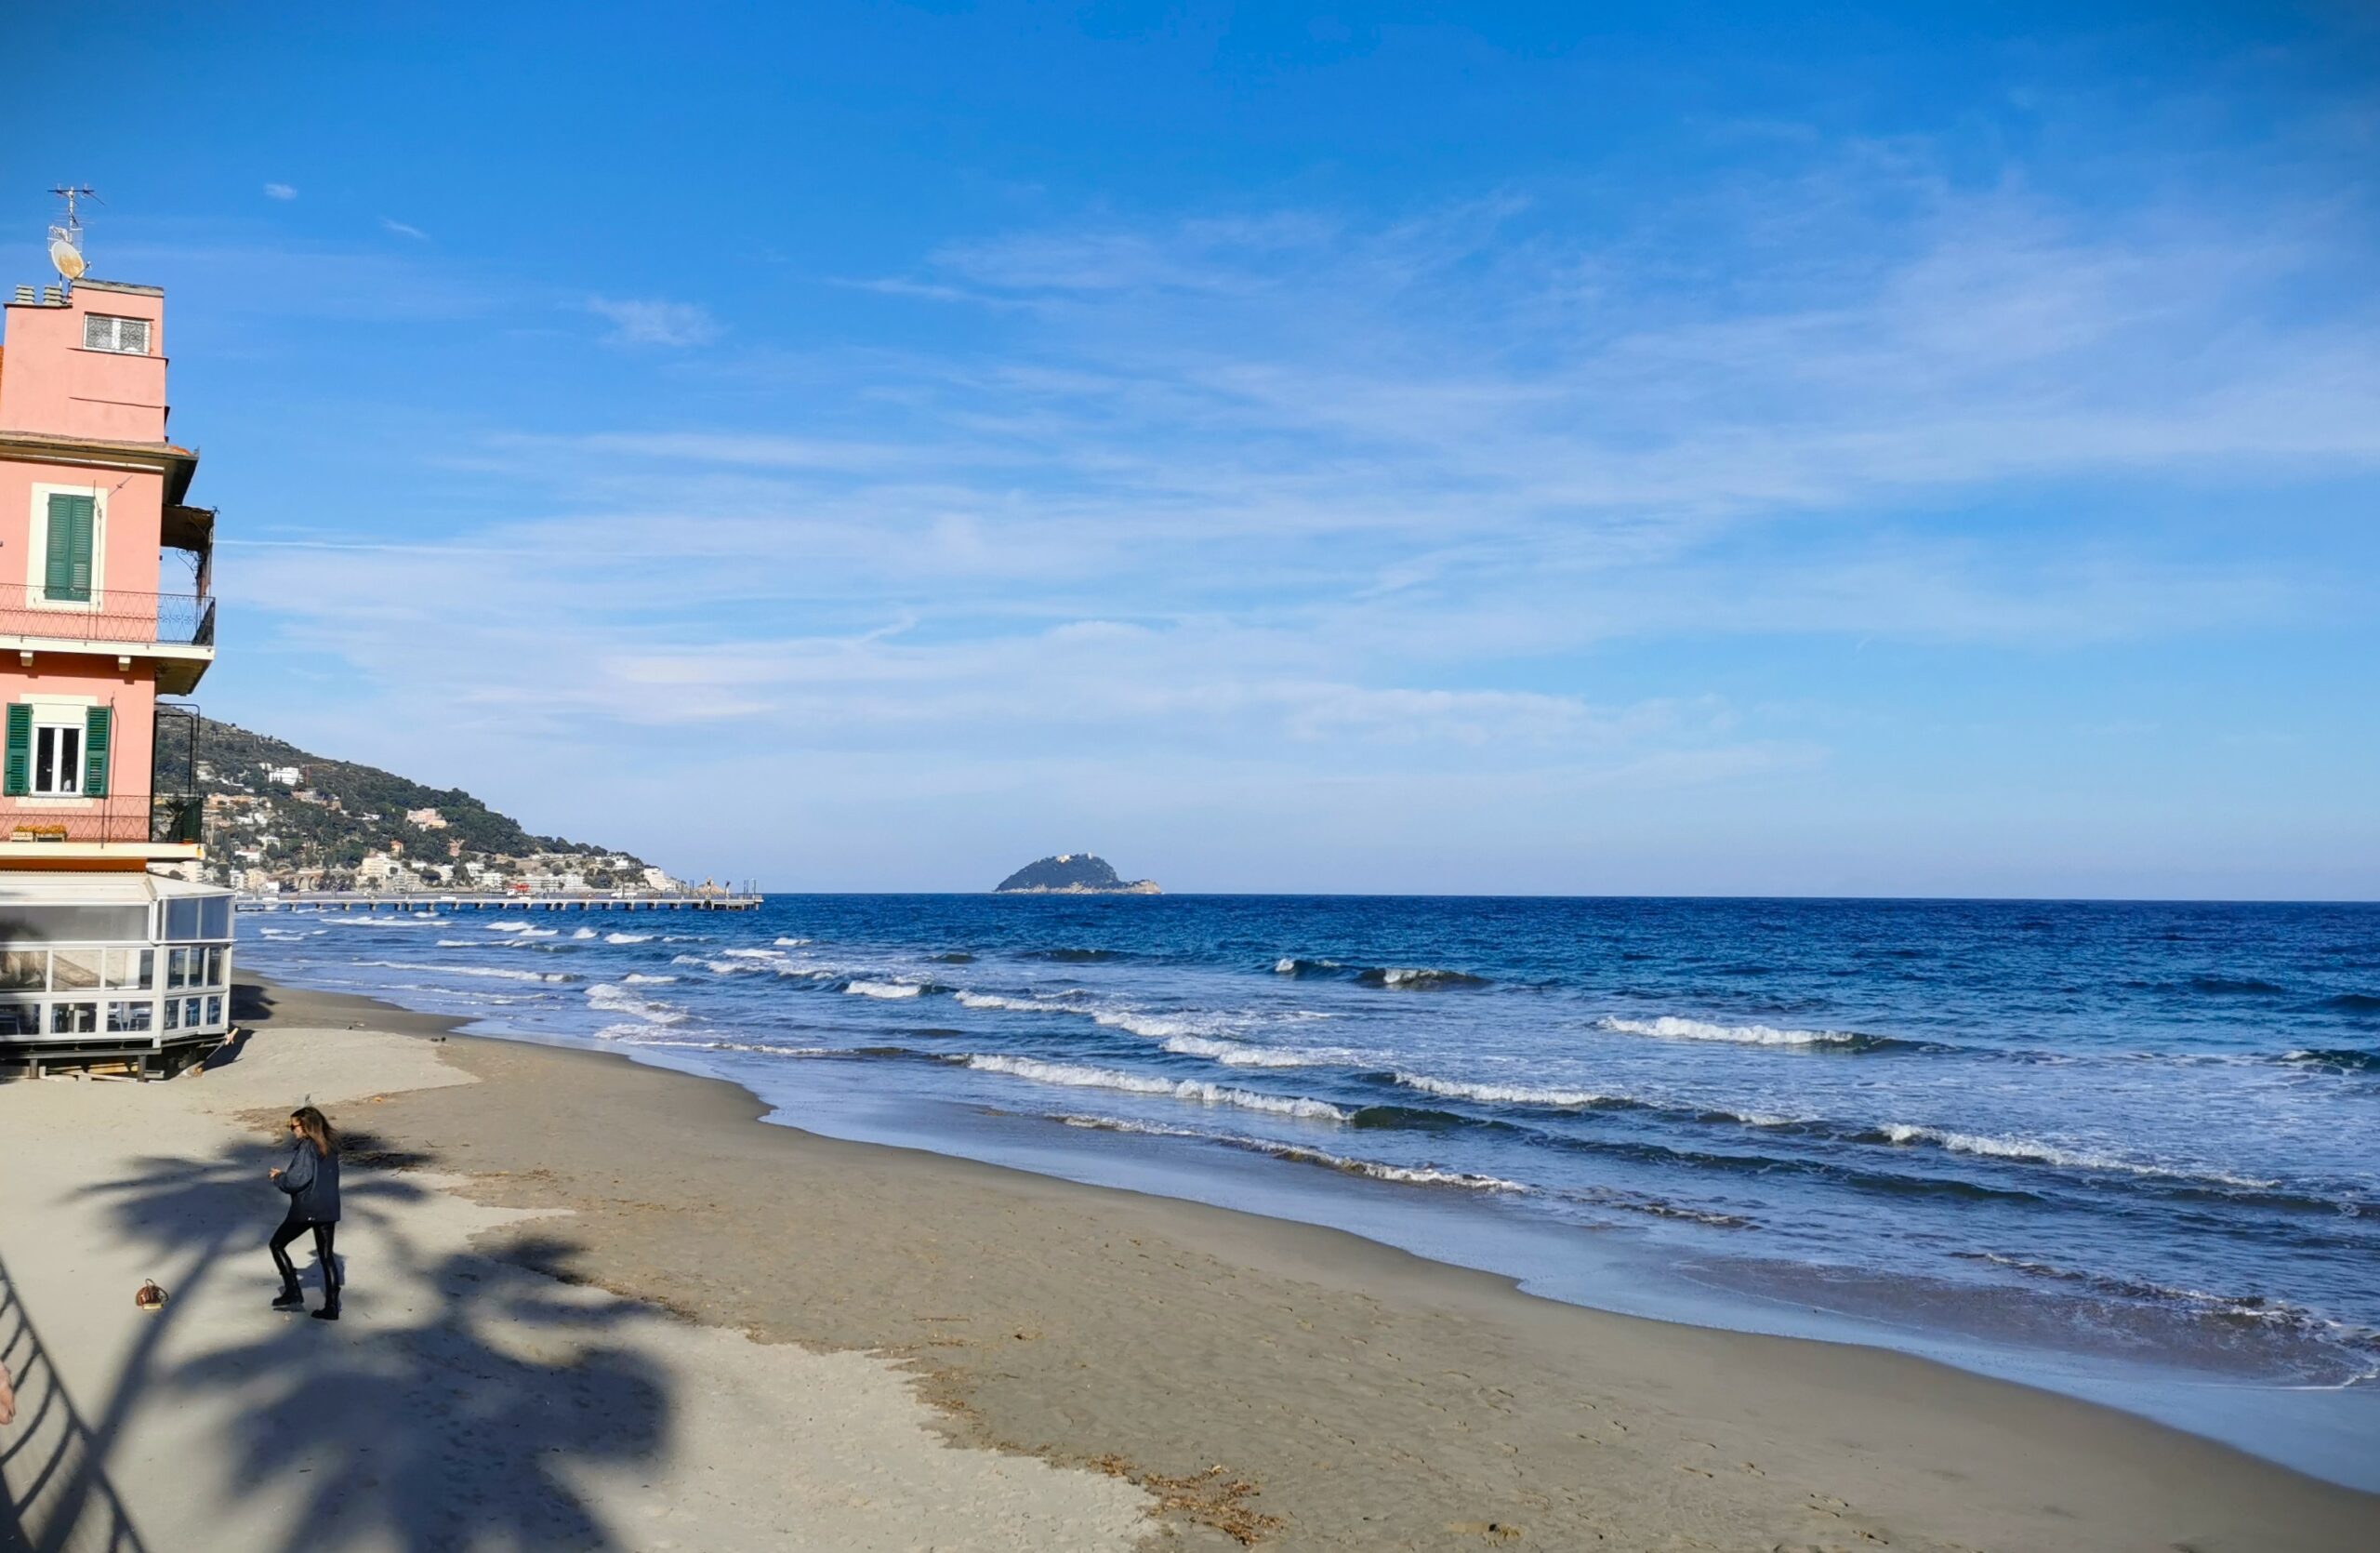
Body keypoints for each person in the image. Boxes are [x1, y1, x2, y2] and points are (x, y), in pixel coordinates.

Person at [268, 1105, 342, 1321]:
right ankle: (332, 1307)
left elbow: (297, 1180)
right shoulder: (330, 1144)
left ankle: (293, 1291)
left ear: (306, 1126)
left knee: (277, 1244)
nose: (292, 1130)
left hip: (309, 1208)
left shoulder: (308, 1147)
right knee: (327, 1257)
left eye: (294, 1126)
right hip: (330, 1208)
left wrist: (278, 1177)